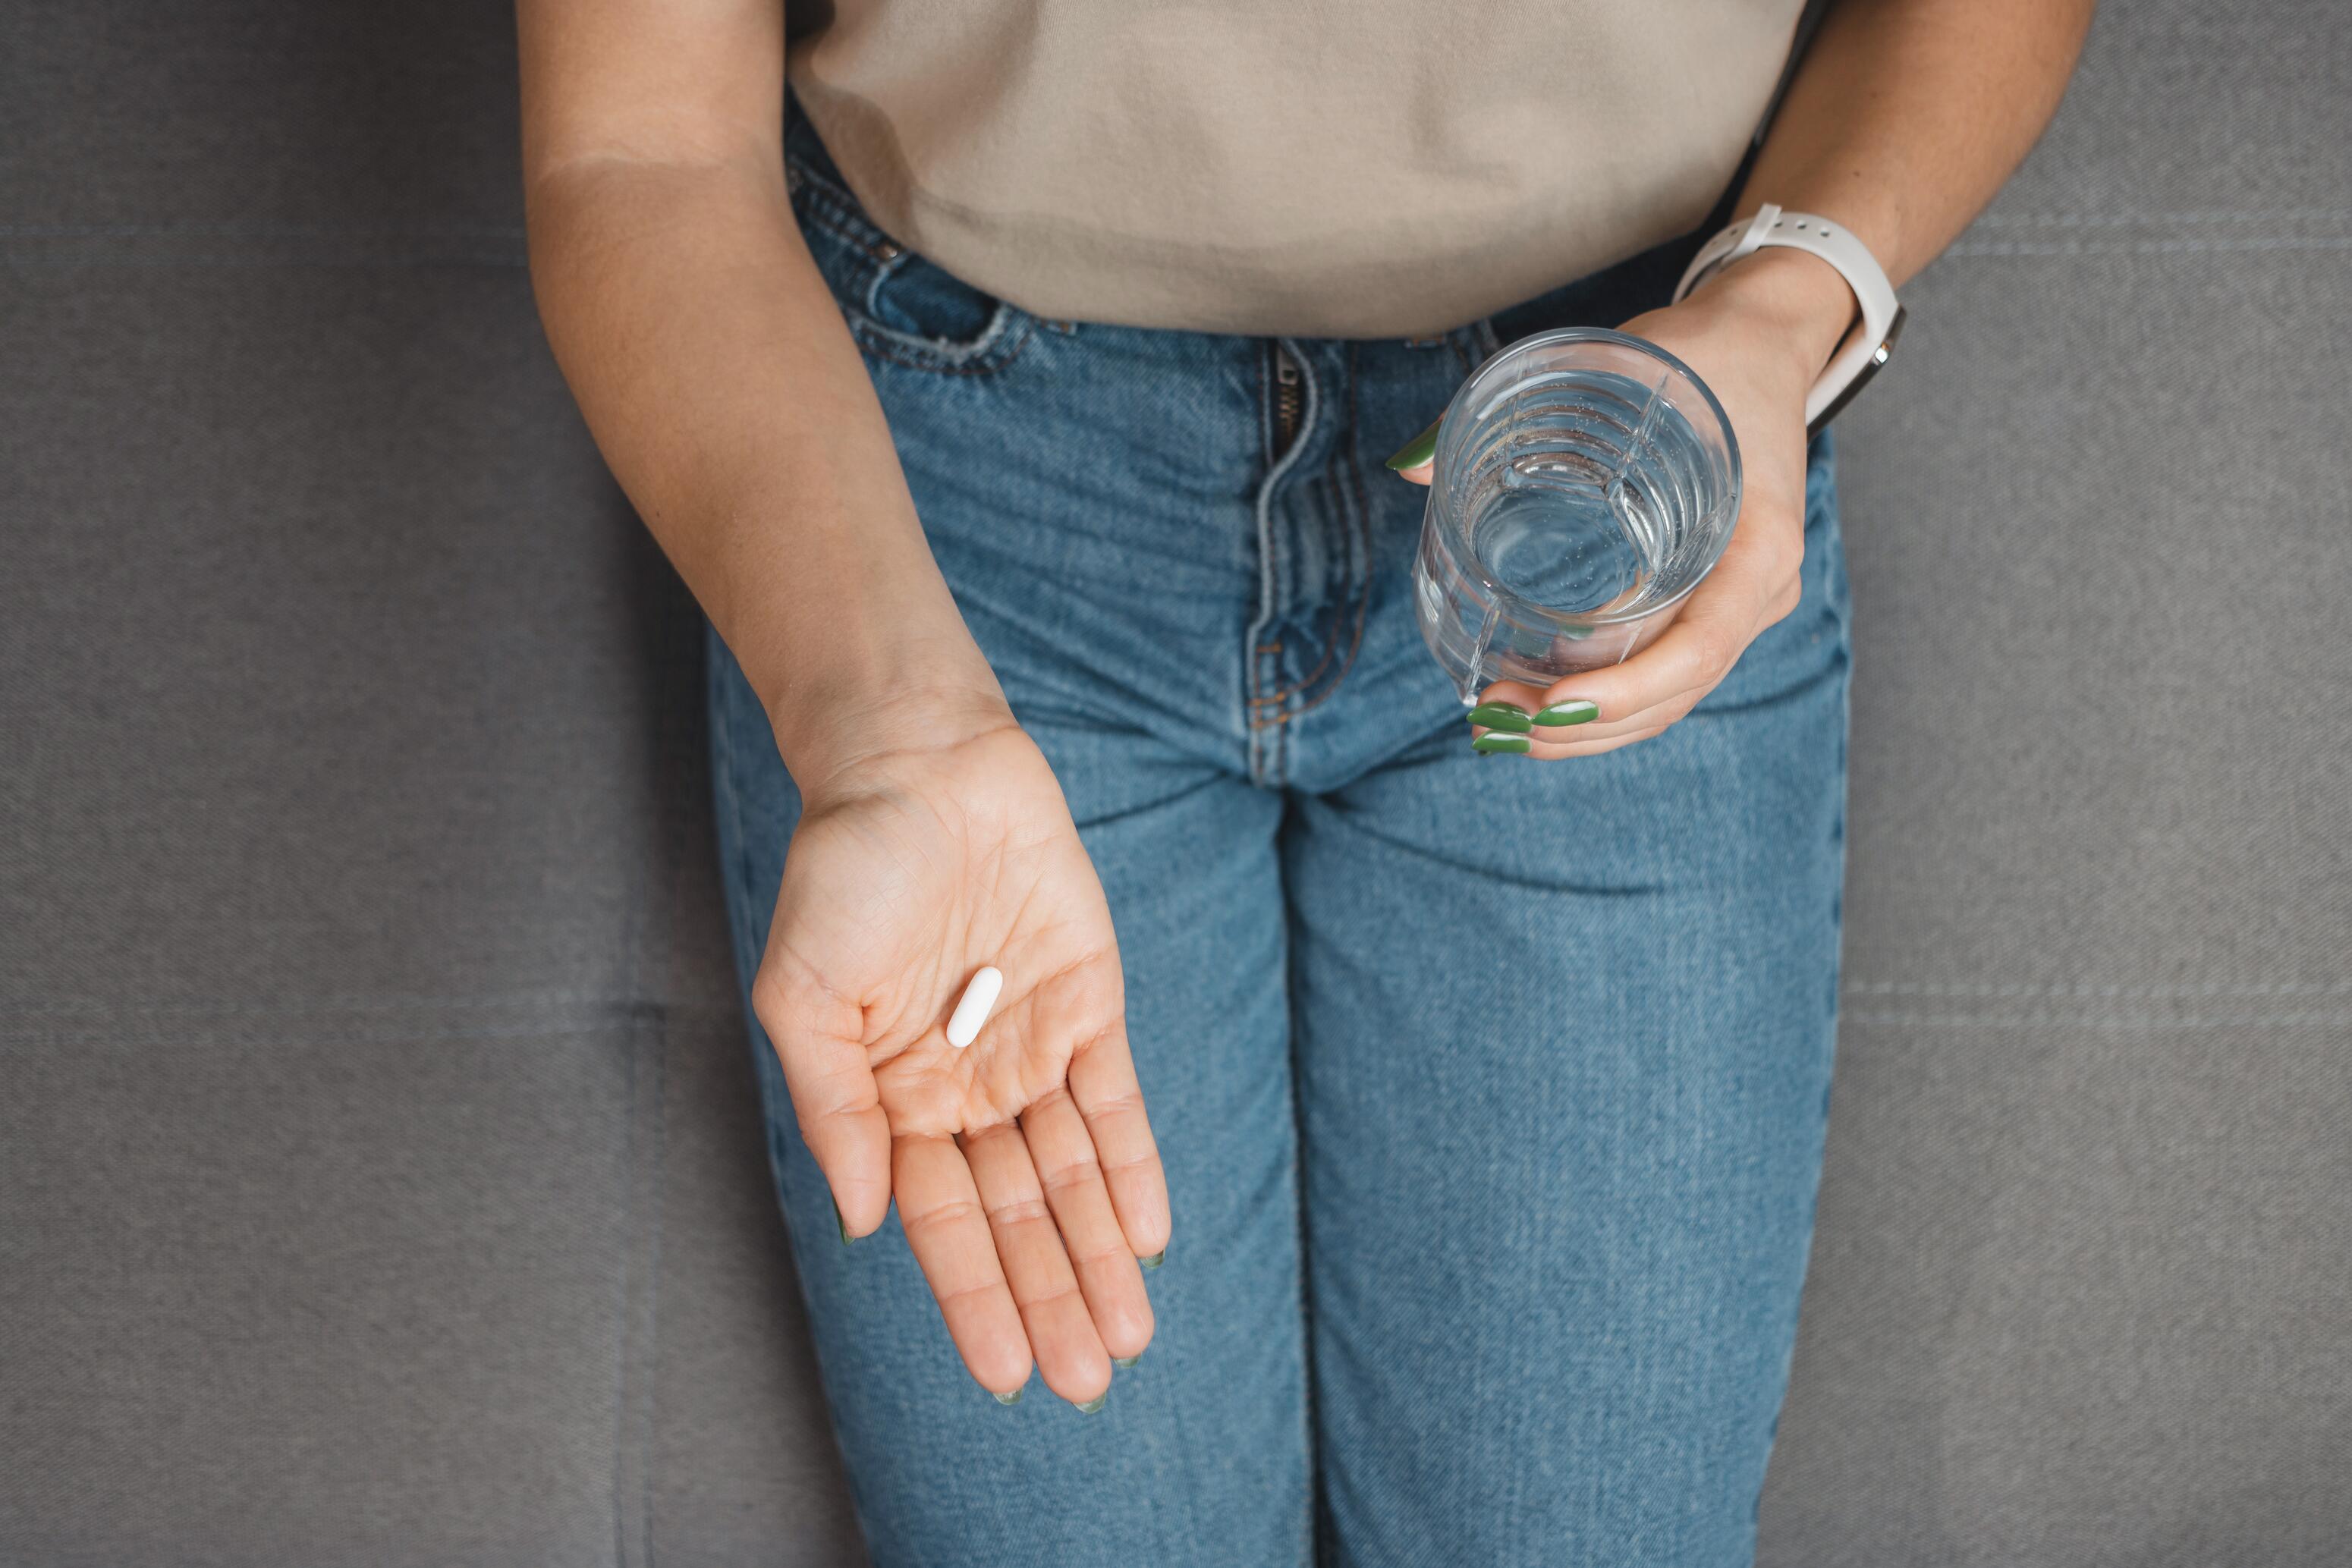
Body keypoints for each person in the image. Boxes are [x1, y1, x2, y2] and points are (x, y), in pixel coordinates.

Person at [517, 1, 2093, 1560]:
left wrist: (1783, 304)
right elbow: (640, 142)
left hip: (1597, 472)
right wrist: (885, 725)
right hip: (935, 527)